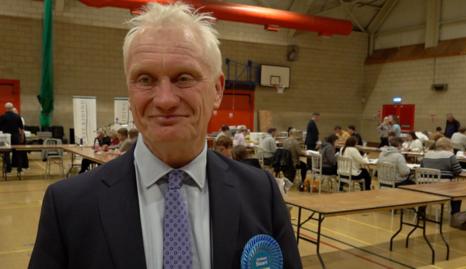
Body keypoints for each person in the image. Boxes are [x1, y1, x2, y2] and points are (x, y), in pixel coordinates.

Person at [29, 3, 301, 269]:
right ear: (130, 90)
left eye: (183, 78)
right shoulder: (68, 206)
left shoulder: (261, 194)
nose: (165, 100)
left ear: (217, 90)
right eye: (145, 80)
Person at [421, 138, 463, 214]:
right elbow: (458, 170)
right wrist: (451, 174)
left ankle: (421, 212)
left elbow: (421, 169)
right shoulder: (450, 155)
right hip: (442, 187)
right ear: (449, 146)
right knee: (458, 193)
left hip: (425, 186)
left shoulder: (427, 154)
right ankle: (455, 215)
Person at [0, 102, 25, 173]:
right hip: (16, 137)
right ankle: (19, 168)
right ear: (12, 108)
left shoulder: (2, 116)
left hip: (6, 138)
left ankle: (8, 168)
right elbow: (21, 128)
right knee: (18, 153)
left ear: (5, 108)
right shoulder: (17, 116)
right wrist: (22, 137)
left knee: (6, 153)